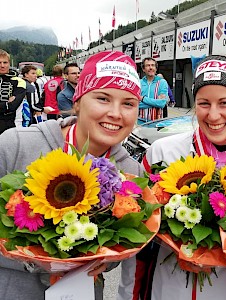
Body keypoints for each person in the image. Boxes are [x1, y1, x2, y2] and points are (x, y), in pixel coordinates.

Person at [118, 54, 226, 300]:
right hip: (163, 287)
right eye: (203, 103)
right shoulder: (162, 152)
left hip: (225, 290)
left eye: (225, 103)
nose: (213, 116)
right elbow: (138, 239)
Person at [0, 50, 143, 300]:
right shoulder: (16, 146)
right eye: (103, 98)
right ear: (77, 101)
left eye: (128, 103)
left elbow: (124, 241)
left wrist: (106, 261)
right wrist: (35, 258)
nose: (116, 113)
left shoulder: (131, 173)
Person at [0, 49, 26, 134]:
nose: (2, 65)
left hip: (11, 128)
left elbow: (13, 106)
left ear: (9, 64)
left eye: (5, 62)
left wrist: (9, 105)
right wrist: (6, 103)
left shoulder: (19, 81)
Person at [138, 57, 168, 122]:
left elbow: (162, 103)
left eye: (153, 65)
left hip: (157, 123)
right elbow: (136, 104)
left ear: (156, 68)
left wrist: (143, 99)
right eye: (148, 65)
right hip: (140, 123)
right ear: (143, 69)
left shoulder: (162, 82)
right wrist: (155, 102)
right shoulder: (139, 83)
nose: (150, 67)